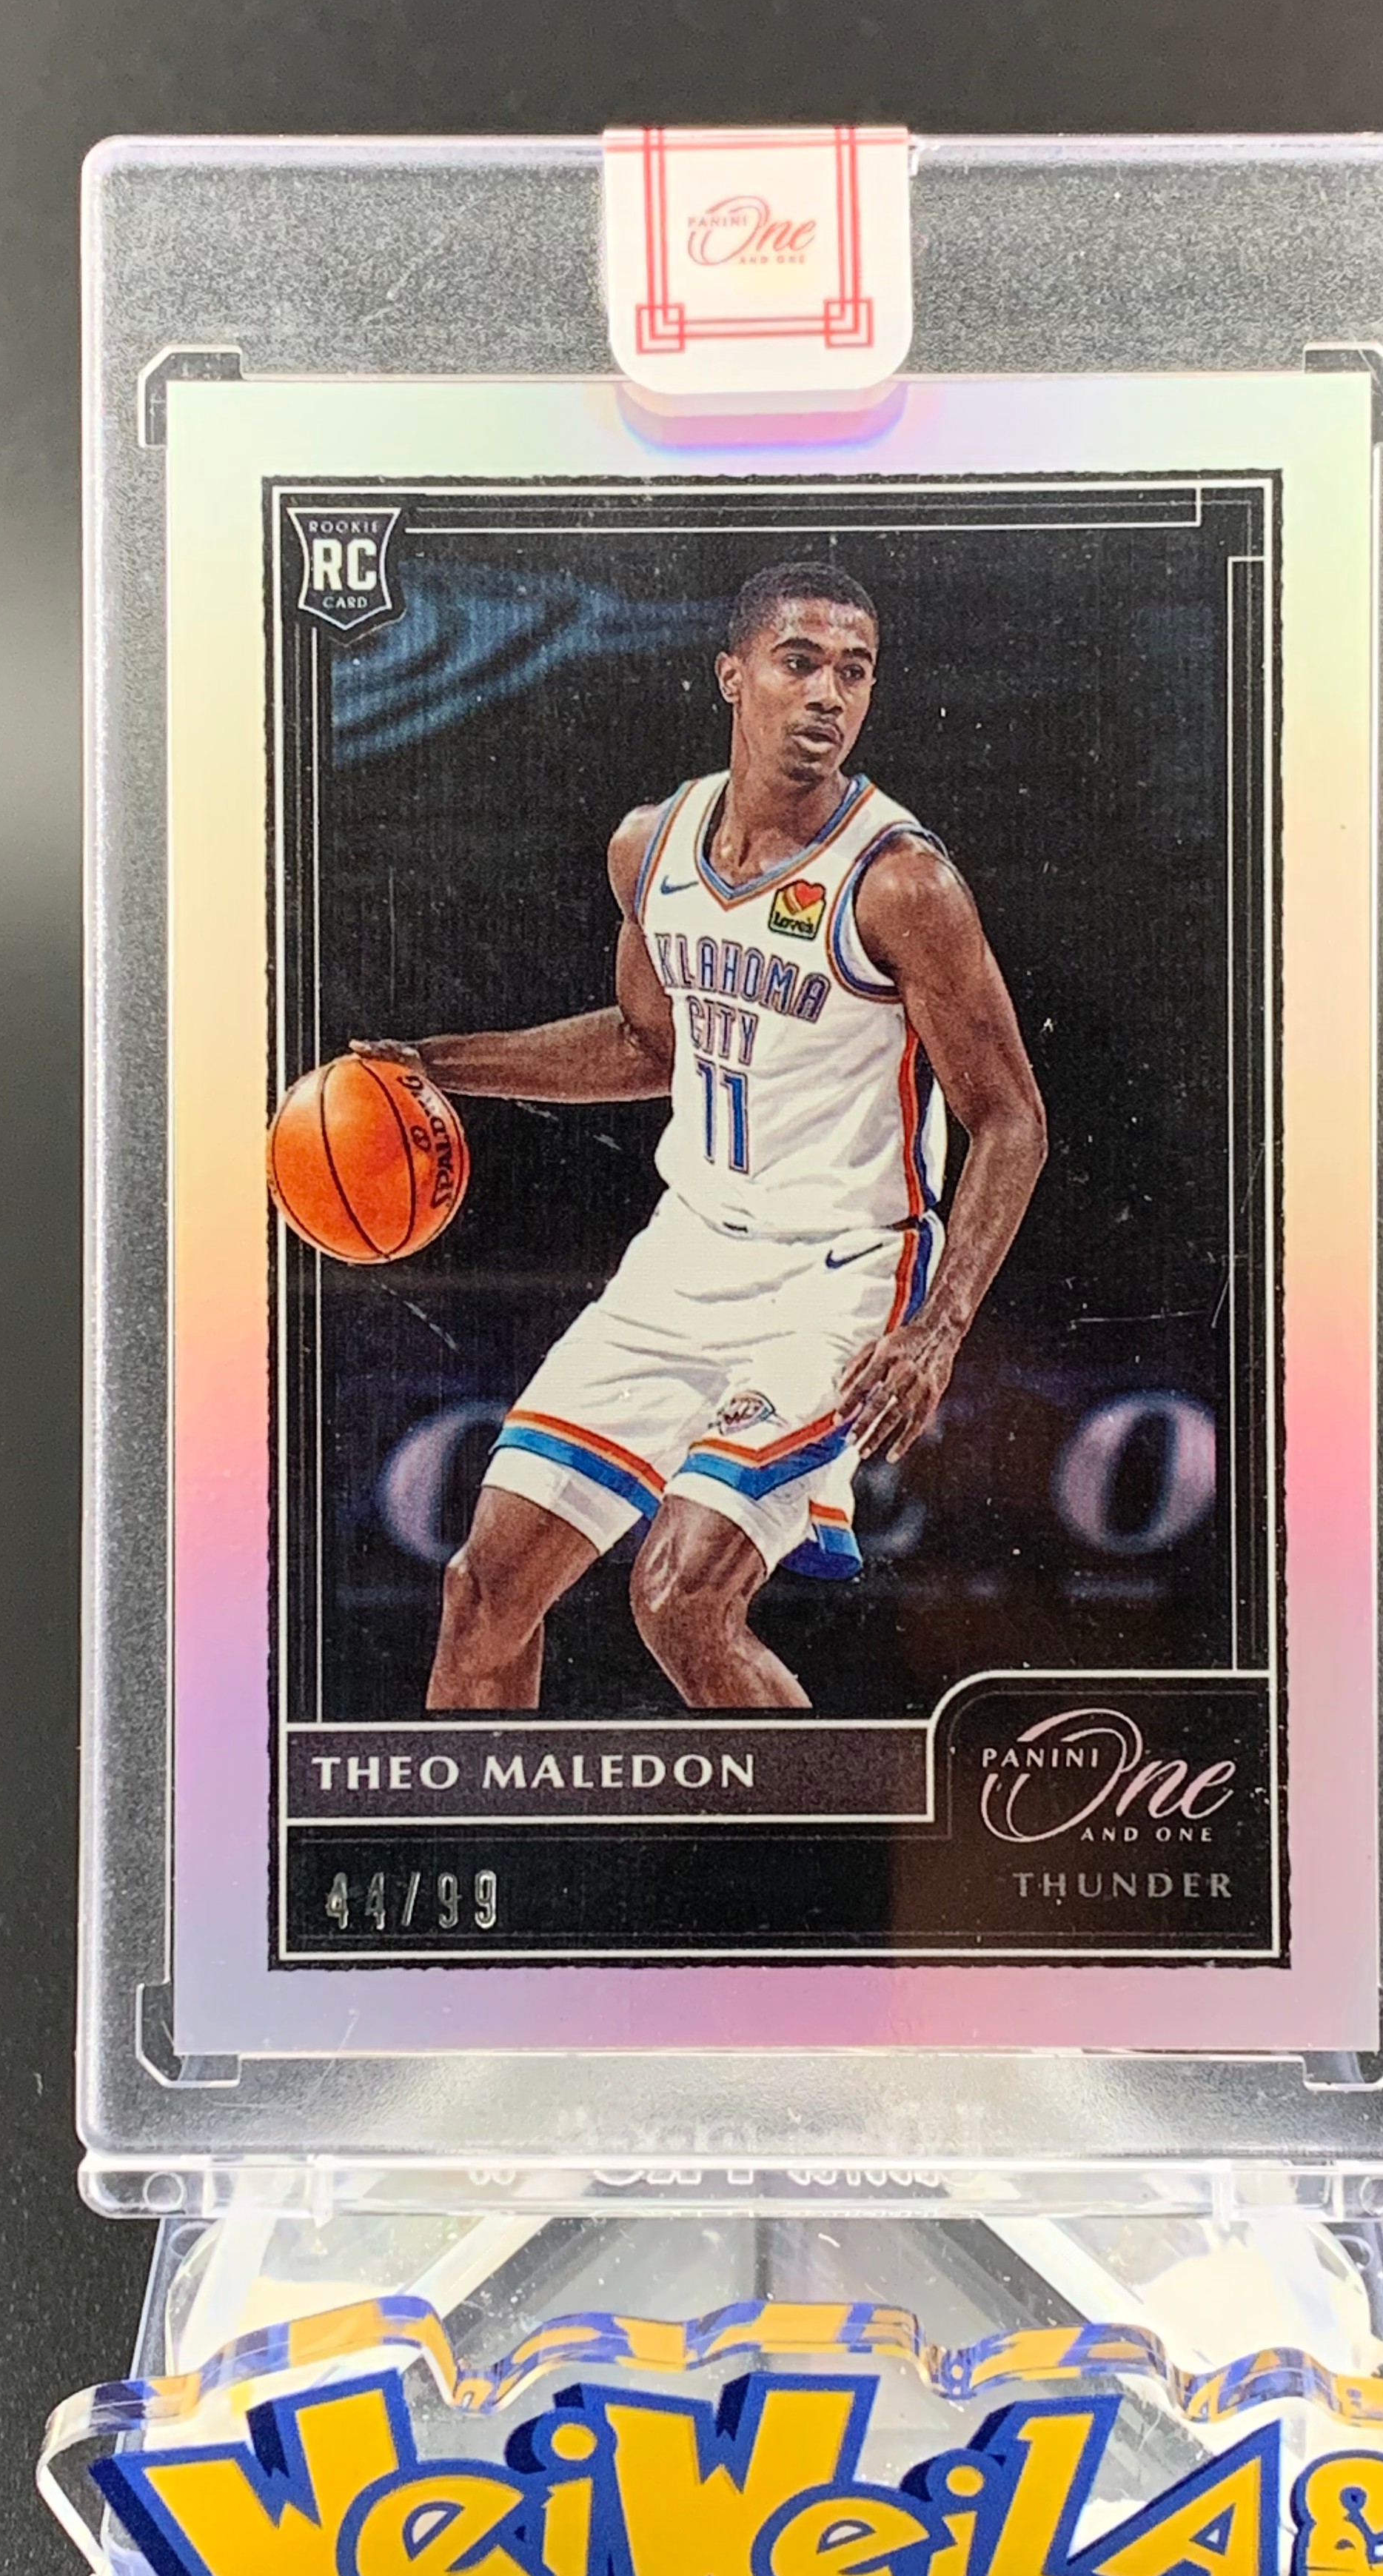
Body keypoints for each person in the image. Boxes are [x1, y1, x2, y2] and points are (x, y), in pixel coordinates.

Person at [376, 560, 1047, 1712]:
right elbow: (651, 1045)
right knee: (484, 1591)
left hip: (841, 1273)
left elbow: (1012, 1118)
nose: (828, 694)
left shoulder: (901, 885)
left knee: (679, 1597)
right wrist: (435, 1066)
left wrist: (936, 1333)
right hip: (687, 1255)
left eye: (855, 672)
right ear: (733, 676)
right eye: (801, 663)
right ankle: (485, 1830)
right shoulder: (653, 847)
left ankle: (810, 1829)